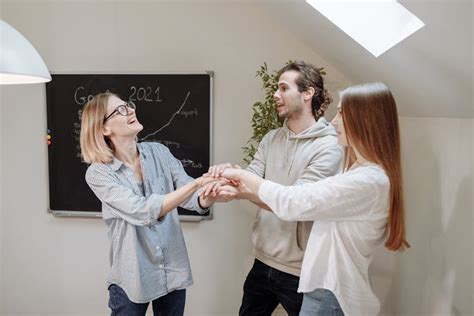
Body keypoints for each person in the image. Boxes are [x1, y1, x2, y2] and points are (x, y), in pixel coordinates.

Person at [213, 82, 410, 316]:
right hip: (324, 290)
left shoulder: (367, 182)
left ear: (364, 121)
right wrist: (243, 186)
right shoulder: (358, 171)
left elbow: (294, 202)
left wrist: (241, 176)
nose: (333, 121)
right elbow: (301, 202)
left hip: (333, 296)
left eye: (341, 113)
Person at [206, 61, 343, 316]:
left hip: (302, 272)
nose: (275, 94)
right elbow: (251, 178)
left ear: (307, 93)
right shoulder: (271, 139)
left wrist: (243, 187)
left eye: (283, 88)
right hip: (263, 262)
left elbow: (296, 204)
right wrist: (226, 178)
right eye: (276, 88)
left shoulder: (329, 147)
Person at [80, 92, 225, 316]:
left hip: (172, 272)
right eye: (120, 110)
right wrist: (197, 184)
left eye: (128, 105)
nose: (130, 110)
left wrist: (211, 192)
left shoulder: (159, 152)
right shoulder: (98, 173)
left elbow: (192, 198)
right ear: (104, 129)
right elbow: (142, 210)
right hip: (132, 279)